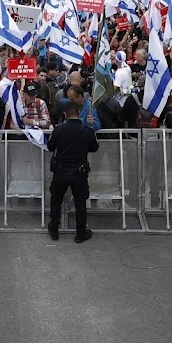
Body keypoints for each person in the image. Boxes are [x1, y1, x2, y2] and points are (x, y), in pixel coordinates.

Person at [46, 99, 100, 243]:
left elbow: (50, 147)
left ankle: (54, 230)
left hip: (60, 171)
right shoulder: (87, 131)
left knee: (56, 200)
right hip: (79, 172)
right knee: (80, 203)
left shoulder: (58, 130)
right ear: (78, 113)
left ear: (65, 114)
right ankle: (80, 232)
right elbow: (94, 148)